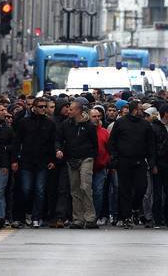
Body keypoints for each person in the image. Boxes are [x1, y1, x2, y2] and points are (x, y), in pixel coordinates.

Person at [108, 101, 155, 229]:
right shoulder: (121, 122)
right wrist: (114, 157)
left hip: (140, 160)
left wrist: (151, 161)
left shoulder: (145, 124)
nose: (142, 112)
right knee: (125, 190)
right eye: (140, 110)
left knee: (142, 187)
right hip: (124, 160)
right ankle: (126, 216)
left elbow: (151, 144)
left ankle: (135, 208)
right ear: (134, 110)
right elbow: (112, 141)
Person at [13, 98, 57, 229]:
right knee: (26, 189)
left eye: (45, 106)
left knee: (40, 190)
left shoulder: (50, 123)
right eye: (41, 107)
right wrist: (14, 160)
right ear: (34, 107)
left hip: (42, 162)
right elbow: (17, 142)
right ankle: (27, 213)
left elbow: (52, 143)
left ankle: (36, 217)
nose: (44, 109)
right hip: (26, 161)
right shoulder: (24, 122)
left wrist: (52, 160)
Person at [55, 100, 99, 229]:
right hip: (71, 159)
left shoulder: (89, 125)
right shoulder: (65, 124)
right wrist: (59, 149)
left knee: (85, 186)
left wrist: (92, 157)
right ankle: (78, 219)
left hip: (86, 158)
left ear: (79, 111)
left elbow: (94, 144)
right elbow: (59, 139)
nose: (69, 111)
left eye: (72, 109)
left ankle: (90, 217)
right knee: (75, 190)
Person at [90, 108, 111, 226]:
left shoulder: (104, 132)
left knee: (98, 192)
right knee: (86, 192)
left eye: (99, 116)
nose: (97, 119)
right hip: (86, 167)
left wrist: (106, 161)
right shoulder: (85, 130)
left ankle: (95, 216)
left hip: (100, 167)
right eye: (94, 116)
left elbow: (109, 149)